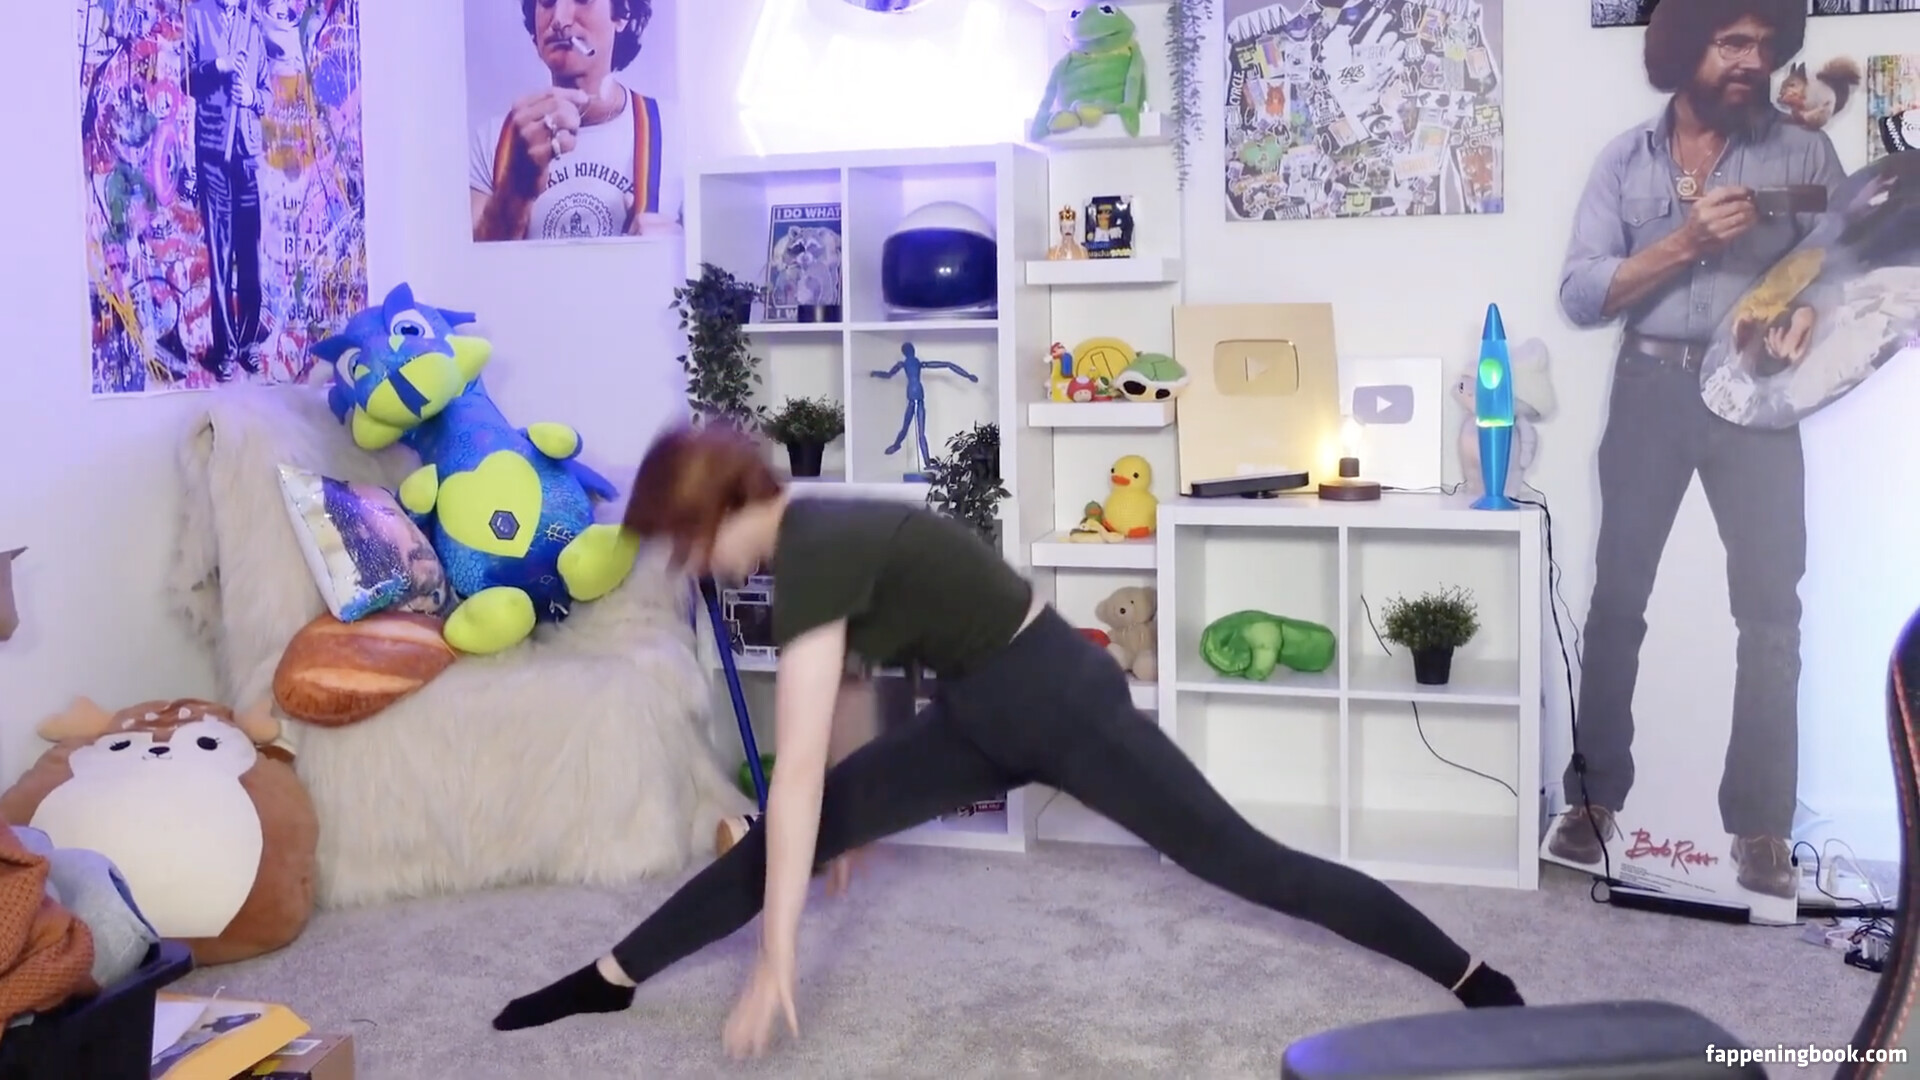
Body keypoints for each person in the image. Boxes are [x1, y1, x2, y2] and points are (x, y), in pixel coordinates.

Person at [492, 423, 1524, 1057]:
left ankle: (1468, 970)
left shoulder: (813, 549)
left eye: (687, 545)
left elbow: (794, 771)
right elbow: (846, 692)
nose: (692, 566)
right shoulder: (812, 533)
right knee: (785, 841)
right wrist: (848, 822)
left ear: (718, 515)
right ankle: (613, 977)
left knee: (1250, 863)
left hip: (1061, 702)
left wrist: (774, 961)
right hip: (980, 711)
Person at [1546, 0, 1845, 899]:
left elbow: (1846, 268)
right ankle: (1592, 801)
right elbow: (1580, 294)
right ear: (1686, 49)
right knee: (1617, 599)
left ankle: (1762, 828)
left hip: (1759, 394)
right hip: (1651, 385)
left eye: (1765, 45)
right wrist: (1685, 241)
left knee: (1771, 610)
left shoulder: (1804, 153)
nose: (1752, 60)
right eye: (1732, 43)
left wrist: (1810, 314)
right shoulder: (1625, 161)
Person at [468, 0, 682, 242]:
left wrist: (682, 245)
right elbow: (467, 260)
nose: (559, 19)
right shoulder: (493, 140)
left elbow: (711, 255)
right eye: (547, 2)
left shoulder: (677, 131)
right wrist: (514, 189)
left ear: (623, 13)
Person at [187, 0, 281, 380]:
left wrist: (251, 97)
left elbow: (267, 94)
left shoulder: (251, 26)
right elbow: (186, 80)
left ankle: (247, 344)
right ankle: (225, 350)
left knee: (251, 258)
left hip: (247, 154)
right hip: (213, 153)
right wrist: (218, 66)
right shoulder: (197, 15)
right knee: (220, 257)